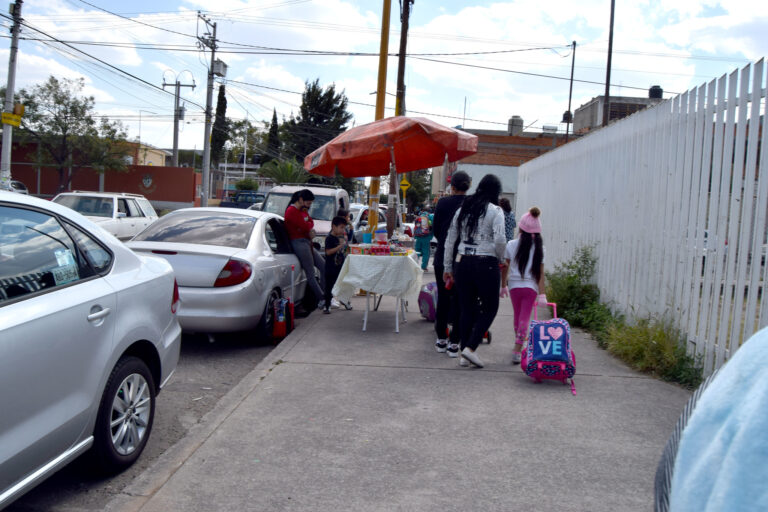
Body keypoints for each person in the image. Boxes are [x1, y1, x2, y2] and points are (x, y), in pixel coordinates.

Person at [443, 174, 506, 368]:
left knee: (467, 308)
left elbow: (450, 240)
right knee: (490, 308)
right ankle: (470, 348)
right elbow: (500, 240)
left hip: (462, 262)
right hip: (486, 263)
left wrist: (448, 267)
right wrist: (501, 258)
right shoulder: (495, 211)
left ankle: (464, 354)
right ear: (496, 192)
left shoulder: (463, 209)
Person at [432, 171, 471, 357]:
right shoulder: (472, 204)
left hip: (442, 256)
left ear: (452, 187)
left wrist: (446, 242)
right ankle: (455, 343)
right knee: (461, 300)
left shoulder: (443, 203)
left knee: (443, 298)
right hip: (464, 258)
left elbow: (437, 230)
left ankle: (441, 340)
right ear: (468, 186)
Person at [500, 207, 545, 364]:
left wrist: (503, 285)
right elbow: (540, 273)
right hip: (531, 287)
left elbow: (505, 266)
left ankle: (519, 344)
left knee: (518, 317)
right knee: (525, 318)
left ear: (521, 227)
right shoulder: (539, 248)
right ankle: (518, 349)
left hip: (514, 286)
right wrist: (542, 294)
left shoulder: (511, 244)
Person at [284, 189, 326, 309]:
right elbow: (306, 225)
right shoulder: (291, 211)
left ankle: (325, 295)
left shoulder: (301, 210)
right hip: (299, 243)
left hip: (307, 242)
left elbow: (310, 223)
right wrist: (307, 228)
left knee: (323, 266)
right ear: (301, 199)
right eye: (308, 203)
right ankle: (322, 298)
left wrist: (307, 227)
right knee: (311, 273)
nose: (309, 206)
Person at [323, 216, 348, 314]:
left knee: (343, 285)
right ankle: (327, 305)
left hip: (339, 266)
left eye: (344, 227)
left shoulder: (341, 237)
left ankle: (345, 300)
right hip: (330, 267)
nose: (343, 230)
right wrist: (339, 246)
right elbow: (328, 252)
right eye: (341, 227)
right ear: (334, 226)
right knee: (329, 287)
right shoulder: (329, 238)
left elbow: (344, 251)